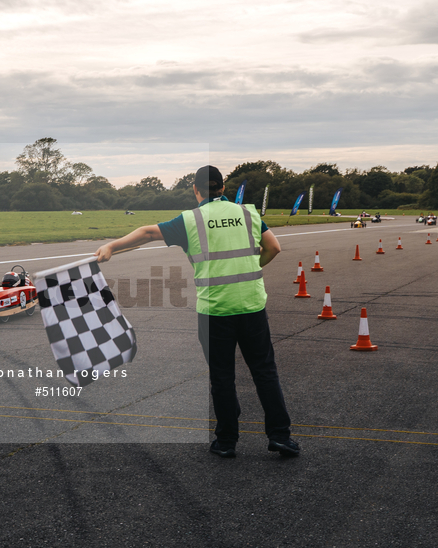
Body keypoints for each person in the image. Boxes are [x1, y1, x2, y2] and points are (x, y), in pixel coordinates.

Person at [94, 166, 298, 458]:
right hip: (251, 304)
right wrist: (249, 269)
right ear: (223, 187)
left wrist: (111, 246)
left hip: (215, 309)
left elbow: (147, 232)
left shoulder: (190, 220)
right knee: (264, 372)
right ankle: (280, 436)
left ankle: (227, 440)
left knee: (222, 377)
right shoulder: (248, 213)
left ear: (195, 189)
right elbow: (274, 248)